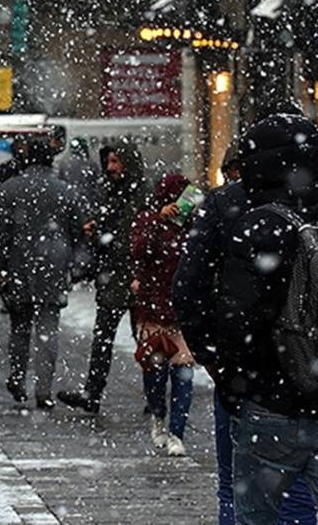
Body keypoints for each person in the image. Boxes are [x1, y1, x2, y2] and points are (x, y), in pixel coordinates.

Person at [183, 114, 318, 524]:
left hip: (267, 397)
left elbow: (200, 297)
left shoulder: (239, 215)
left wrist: (227, 375)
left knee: (249, 506)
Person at [0, 136, 87, 410]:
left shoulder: (10, 189)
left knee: (19, 327)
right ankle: (44, 390)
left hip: (19, 265)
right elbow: (78, 231)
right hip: (53, 266)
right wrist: (76, 265)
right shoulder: (64, 190)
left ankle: (18, 378)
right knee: (48, 330)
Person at [59, 140, 149, 414]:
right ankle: (93, 392)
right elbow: (113, 230)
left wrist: (104, 236)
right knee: (103, 338)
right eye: (108, 161)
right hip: (115, 277)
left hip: (137, 276)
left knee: (144, 339)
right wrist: (96, 231)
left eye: (115, 161)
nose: (110, 167)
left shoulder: (142, 194)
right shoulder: (110, 192)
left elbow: (129, 236)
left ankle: (154, 395)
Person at [129, 172, 195, 456]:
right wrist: (158, 220)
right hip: (154, 310)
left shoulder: (193, 224)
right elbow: (138, 250)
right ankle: (158, 415)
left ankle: (177, 432)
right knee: (155, 374)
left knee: (183, 375)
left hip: (183, 310)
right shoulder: (148, 219)